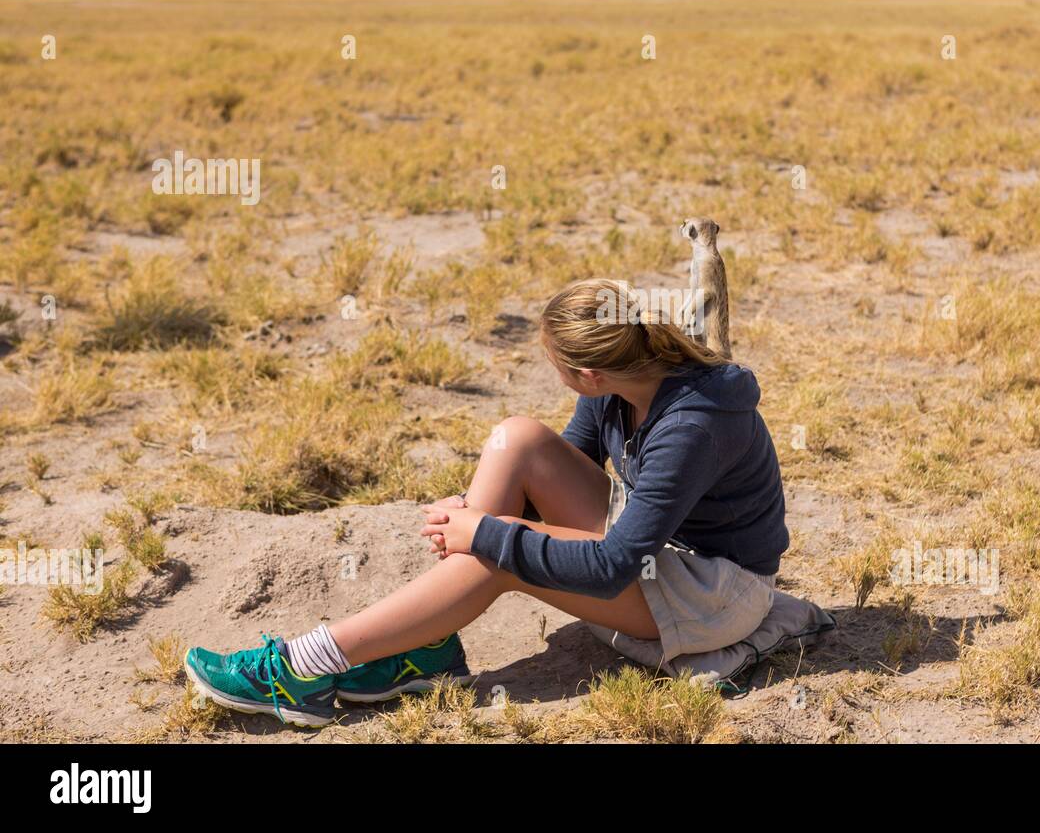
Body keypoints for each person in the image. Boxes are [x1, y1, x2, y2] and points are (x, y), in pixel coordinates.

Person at [184, 278, 789, 726]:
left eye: (557, 366)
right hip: (660, 552)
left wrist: (486, 534)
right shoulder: (625, 379)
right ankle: (425, 649)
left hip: (717, 593)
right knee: (516, 438)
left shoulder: (693, 425)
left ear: (590, 374)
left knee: (494, 549)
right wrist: (479, 518)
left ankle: (298, 669)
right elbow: (549, 471)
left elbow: (612, 569)